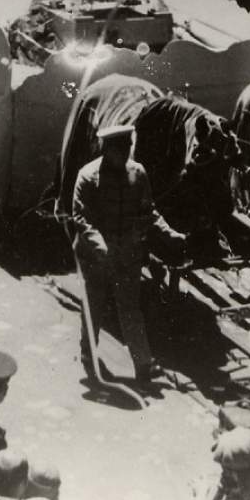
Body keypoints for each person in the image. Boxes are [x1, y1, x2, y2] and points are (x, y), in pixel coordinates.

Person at [70, 121, 188, 391]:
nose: (125, 154)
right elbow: (81, 217)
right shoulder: (88, 176)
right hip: (96, 255)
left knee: (130, 309)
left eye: (128, 148)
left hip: (128, 254)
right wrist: (100, 246)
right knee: (94, 307)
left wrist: (170, 234)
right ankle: (90, 356)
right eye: (119, 149)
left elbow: (149, 212)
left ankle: (143, 365)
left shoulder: (138, 173)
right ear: (107, 149)